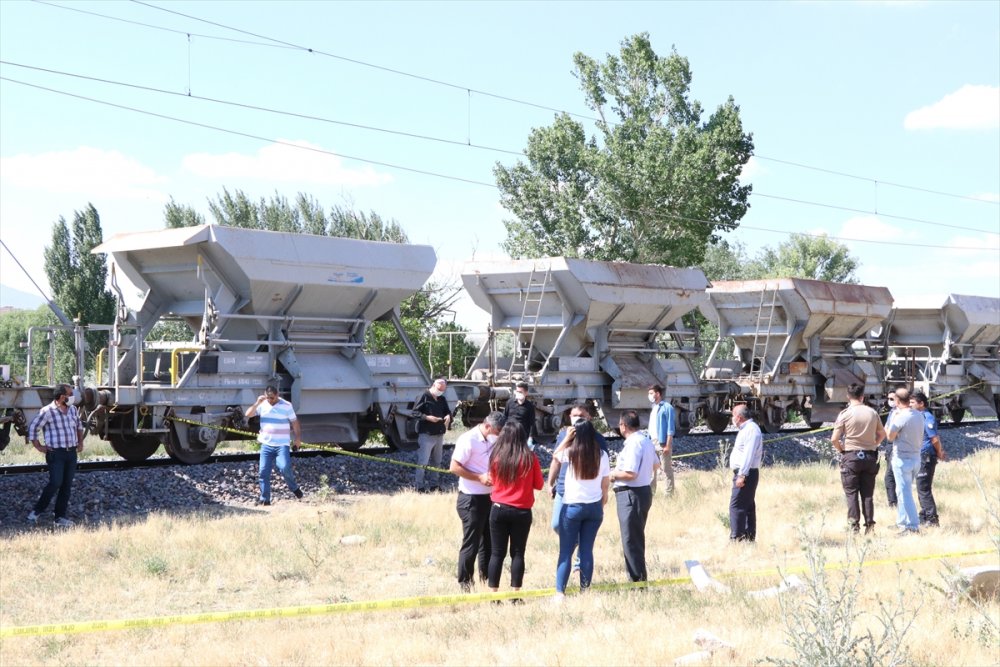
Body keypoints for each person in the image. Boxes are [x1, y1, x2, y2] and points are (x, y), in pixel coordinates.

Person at [548, 420, 610, 599]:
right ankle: (585, 589)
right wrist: (603, 501)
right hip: (594, 507)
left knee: (566, 551)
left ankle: (560, 592)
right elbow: (605, 482)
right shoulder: (602, 454)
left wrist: (566, 438)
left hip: (572, 507)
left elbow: (555, 455)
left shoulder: (571, 452)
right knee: (586, 550)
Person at [486, 422, 543, 599]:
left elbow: (492, 480)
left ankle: (493, 595)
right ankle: (515, 594)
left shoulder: (496, 456)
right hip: (522, 511)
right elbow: (539, 485)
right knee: (518, 553)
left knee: (496, 553)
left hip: (499, 508)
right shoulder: (530, 458)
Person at [450, 410, 505, 592]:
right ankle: (465, 582)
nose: (497, 436)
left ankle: (486, 578)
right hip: (471, 498)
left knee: (488, 541)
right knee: (471, 542)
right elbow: (454, 467)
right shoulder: (468, 439)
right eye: (496, 432)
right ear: (487, 426)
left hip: (490, 497)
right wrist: (479, 478)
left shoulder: (494, 438)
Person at [831, 383, 887, 534]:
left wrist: (842, 450)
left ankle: (853, 526)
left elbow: (834, 439)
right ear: (863, 396)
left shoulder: (844, 414)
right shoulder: (872, 413)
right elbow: (882, 434)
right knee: (868, 494)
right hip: (869, 456)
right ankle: (870, 525)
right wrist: (873, 444)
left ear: (848, 396)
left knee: (851, 493)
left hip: (851, 456)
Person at [610, 410, 659, 582]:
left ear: (623, 425)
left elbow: (630, 474)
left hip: (630, 495)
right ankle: (638, 578)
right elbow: (656, 464)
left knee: (631, 540)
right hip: (642, 492)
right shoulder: (645, 440)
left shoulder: (633, 444)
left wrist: (613, 475)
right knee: (635, 538)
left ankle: (637, 581)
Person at [27, 384, 85, 527]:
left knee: (67, 485)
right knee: (55, 482)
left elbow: (79, 426)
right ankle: (36, 511)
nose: (72, 397)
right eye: (70, 394)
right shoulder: (47, 411)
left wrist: (80, 442)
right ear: (61, 397)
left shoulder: (72, 410)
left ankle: (60, 517)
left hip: (70, 453)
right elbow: (33, 428)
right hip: (56, 453)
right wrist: (39, 446)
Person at [550, 402, 607, 534]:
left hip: (587, 491)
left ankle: (574, 545)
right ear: (569, 417)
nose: (577, 418)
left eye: (581, 415)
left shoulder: (597, 438)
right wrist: (550, 483)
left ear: (589, 417)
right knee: (557, 524)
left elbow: (604, 468)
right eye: (574, 415)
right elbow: (556, 460)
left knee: (581, 527)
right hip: (563, 488)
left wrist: (604, 493)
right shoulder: (564, 435)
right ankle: (573, 542)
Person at [245, 384, 303, 506]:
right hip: (266, 445)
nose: (270, 400)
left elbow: (295, 422)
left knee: (284, 467)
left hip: (282, 444)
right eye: (268, 398)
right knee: (263, 472)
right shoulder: (262, 404)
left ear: (277, 395)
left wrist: (298, 439)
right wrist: (257, 403)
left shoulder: (287, 405)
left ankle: (294, 488)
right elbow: (248, 414)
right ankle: (265, 499)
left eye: (272, 398)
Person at [885, 388, 924, 535]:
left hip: (902, 458)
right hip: (916, 458)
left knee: (904, 493)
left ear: (897, 401)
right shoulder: (919, 415)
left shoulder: (900, 417)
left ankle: (913, 526)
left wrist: (891, 420)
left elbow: (889, 436)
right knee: (902, 490)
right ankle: (902, 522)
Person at [912, 391, 947, 527]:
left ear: (921, 404)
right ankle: (924, 515)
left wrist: (939, 452)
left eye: (913, 402)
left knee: (924, 488)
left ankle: (932, 519)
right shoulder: (917, 417)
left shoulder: (928, 418)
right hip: (918, 455)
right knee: (920, 487)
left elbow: (934, 439)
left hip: (925, 456)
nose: (910, 405)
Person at [729, 404, 763, 542]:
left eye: (733, 415)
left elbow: (748, 455)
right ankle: (748, 537)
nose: (732, 418)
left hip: (746, 474)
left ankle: (736, 537)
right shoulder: (747, 429)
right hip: (746, 473)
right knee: (747, 505)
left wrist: (742, 475)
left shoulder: (751, 430)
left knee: (736, 506)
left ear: (739, 417)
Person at [412, 378, 452, 493]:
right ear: (434, 385)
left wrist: (448, 416)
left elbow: (447, 411)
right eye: (439, 389)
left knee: (437, 461)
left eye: (443, 390)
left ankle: (434, 485)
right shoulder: (423, 396)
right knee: (423, 461)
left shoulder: (442, 399)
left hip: (439, 434)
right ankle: (419, 486)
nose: (441, 392)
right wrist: (427, 417)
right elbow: (414, 412)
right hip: (426, 434)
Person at [648, 384, 676, 497]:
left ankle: (669, 494)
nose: (649, 396)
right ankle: (651, 493)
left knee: (666, 469)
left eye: (651, 393)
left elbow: (670, 428)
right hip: (652, 443)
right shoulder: (654, 408)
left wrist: (668, 445)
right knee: (651, 470)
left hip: (662, 443)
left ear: (658, 394)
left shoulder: (667, 407)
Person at [503, 381, 538, 448]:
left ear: (526, 393)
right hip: (510, 433)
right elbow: (505, 416)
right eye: (517, 391)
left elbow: (532, 423)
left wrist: (530, 438)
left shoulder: (529, 406)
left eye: (520, 392)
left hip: (522, 435)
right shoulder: (510, 402)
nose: (518, 393)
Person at [882, 392, 898, 508]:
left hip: (895, 444)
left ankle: (893, 503)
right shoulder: (892, 412)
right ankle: (892, 501)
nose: (889, 401)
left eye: (892, 398)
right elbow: (885, 428)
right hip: (889, 445)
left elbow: (891, 431)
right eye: (888, 398)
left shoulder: (900, 414)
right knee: (890, 475)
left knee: (890, 476)